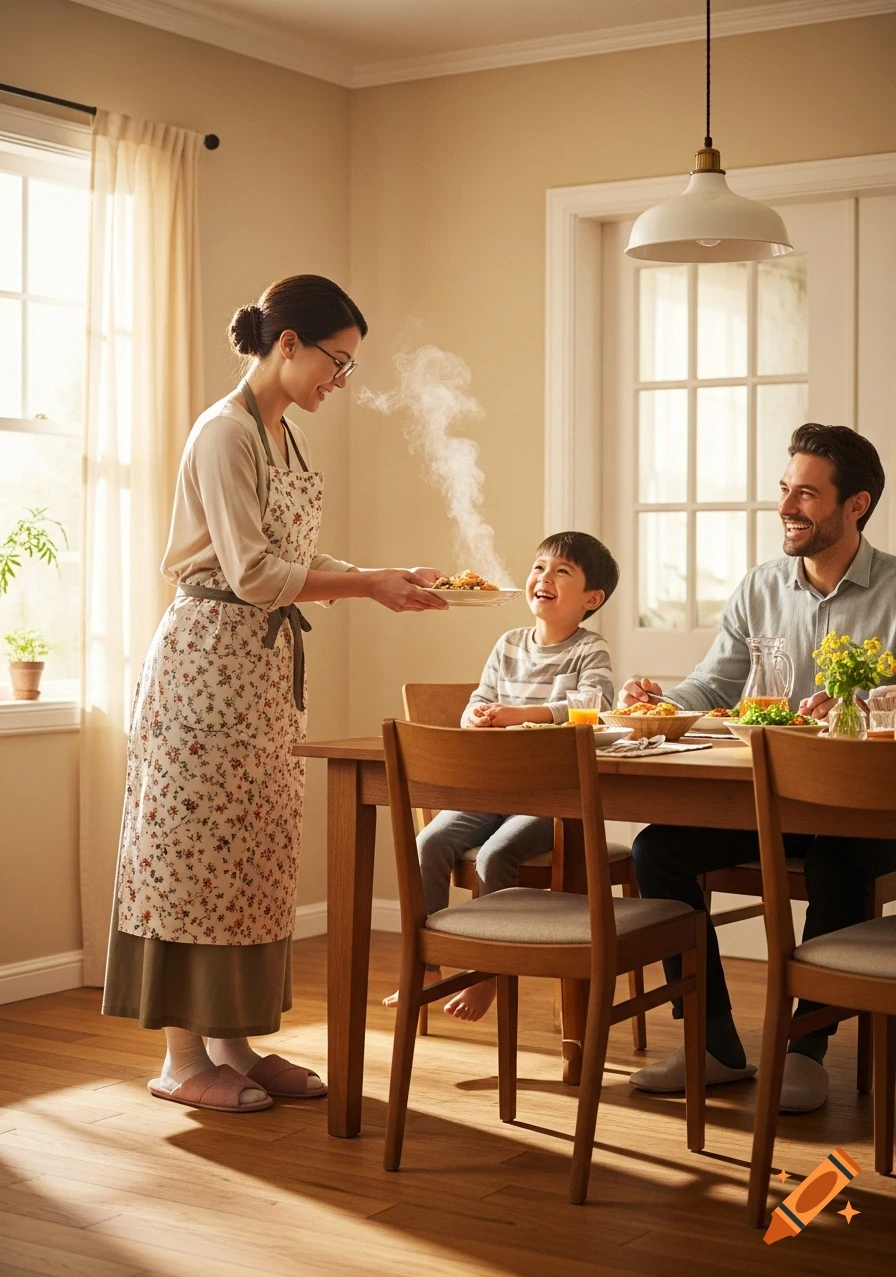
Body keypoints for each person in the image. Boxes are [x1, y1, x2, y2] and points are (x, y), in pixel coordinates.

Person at [103, 274, 448, 1114]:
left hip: (257, 678)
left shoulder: (281, 436)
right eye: (338, 361)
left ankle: (235, 1044)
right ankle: (182, 1060)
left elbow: (295, 557)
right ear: (286, 342)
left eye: (350, 367)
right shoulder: (224, 435)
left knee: (251, 853)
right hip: (206, 669)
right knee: (195, 854)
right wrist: (366, 586)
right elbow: (255, 576)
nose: (342, 379)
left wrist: (382, 577)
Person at [621, 424, 896, 1111]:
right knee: (659, 848)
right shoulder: (760, 586)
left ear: (854, 505)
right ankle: (713, 1046)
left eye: (807, 492)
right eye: (785, 489)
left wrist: (870, 703)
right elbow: (714, 685)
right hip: (770, 801)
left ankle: (806, 1050)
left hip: (867, 812)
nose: (786, 506)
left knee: (838, 857)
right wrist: (660, 699)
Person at [384, 531, 619, 1021]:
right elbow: (479, 698)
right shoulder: (508, 643)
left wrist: (520, 715)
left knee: (495, 856)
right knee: (428, 843)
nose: (543, 578)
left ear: (591, 599)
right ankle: (424, 970)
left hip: (551, 800)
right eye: (539, 567)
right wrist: (473, 715)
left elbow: (595, 709)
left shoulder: (589, 651)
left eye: (562, 572)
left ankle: (488, 975)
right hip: (490, 789)